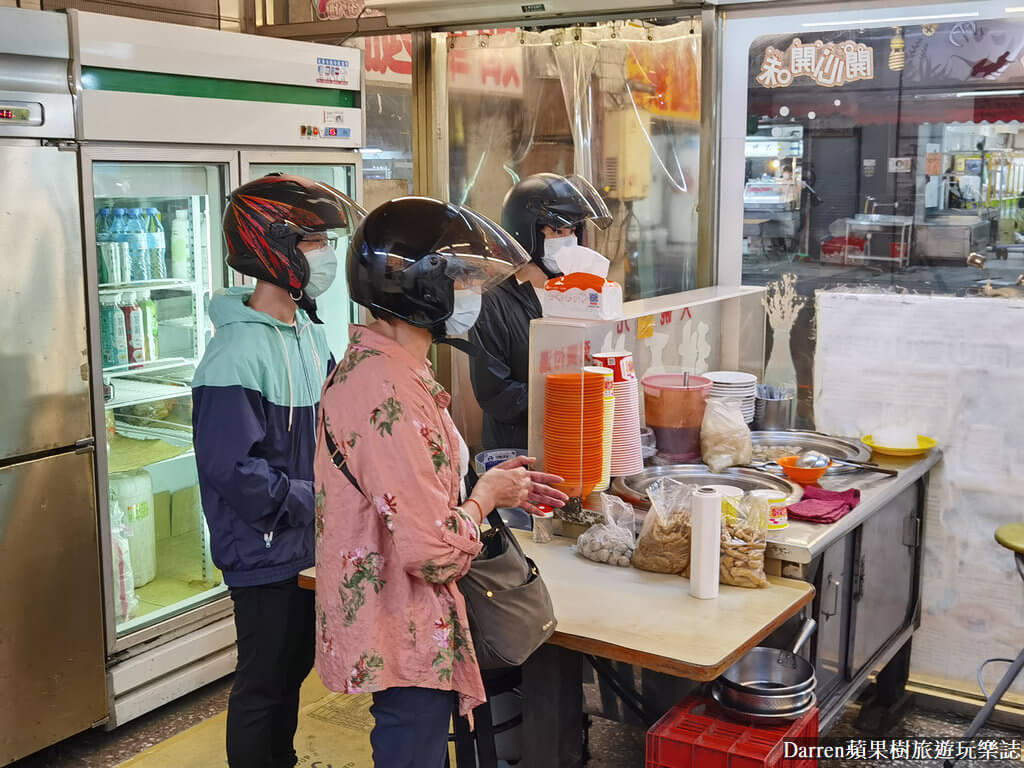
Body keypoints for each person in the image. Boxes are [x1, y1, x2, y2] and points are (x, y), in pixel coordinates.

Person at [314, 197, 568, 767]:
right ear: (420, 288)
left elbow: (416, 487)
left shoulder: (387, 369)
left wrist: (497, 485)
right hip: (401, 623)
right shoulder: (390, 393)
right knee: (411, 746)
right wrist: (483, 501)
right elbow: (431, 553)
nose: (473, 293)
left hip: (398, 616)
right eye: (462, 278)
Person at [192, 174, 363, 768]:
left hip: (307, 540)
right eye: (315, 241)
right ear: (275, 247)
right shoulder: (235, 353)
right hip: (264, 548)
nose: (327, 255)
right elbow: (229, 467)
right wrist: (313, 500)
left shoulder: (309, 333)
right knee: (264, 681)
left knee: (291, 669)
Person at [468, 173, 612, 450]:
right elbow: (495, 393)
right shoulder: (492, 301)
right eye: (557, 231)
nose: (568, 240)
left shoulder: (580, 292)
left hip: (574, 439)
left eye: (573, 231)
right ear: (526, 233)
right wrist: (566, 395)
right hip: (520, 452)